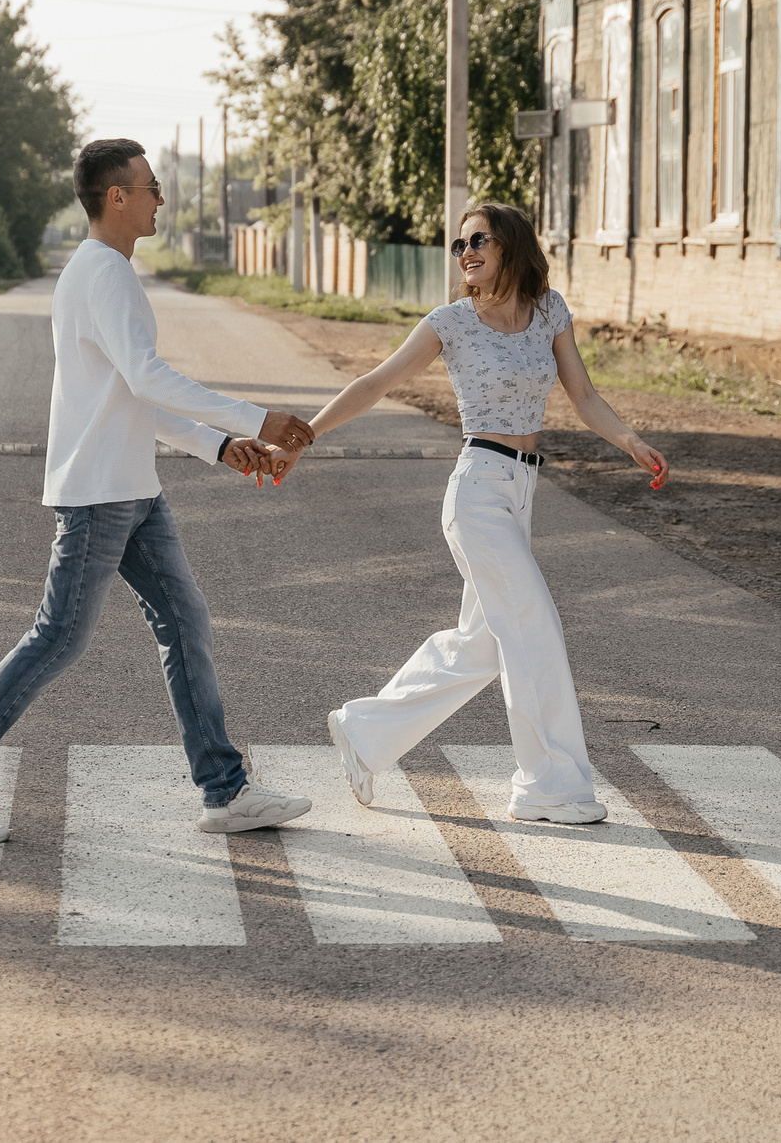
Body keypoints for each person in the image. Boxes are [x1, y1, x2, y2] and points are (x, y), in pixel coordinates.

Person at [0, 138, 319, 844]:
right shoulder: (104, 274)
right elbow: (149, 377)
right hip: (101, 493)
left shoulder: (105, 273)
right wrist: (257, 417)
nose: (162, 197)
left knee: (184, 621)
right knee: (57, 637)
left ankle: (225, 790)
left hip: (131, 488)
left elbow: (133, 397)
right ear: (116, 196)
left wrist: (220, 446)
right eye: (152, 186)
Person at [276, 200, 668, 824]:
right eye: (459, 245)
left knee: (482, 645)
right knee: (534, 627)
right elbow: (375, 383)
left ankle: (365, 731)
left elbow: (584, 395)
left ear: (510, 244)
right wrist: (301, 439)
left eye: (478, 240)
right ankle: (551, 785)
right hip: (478, 491)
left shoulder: (549, 312)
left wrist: (631, 442)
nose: (466, 253)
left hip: (521, 492)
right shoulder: (451, 322)